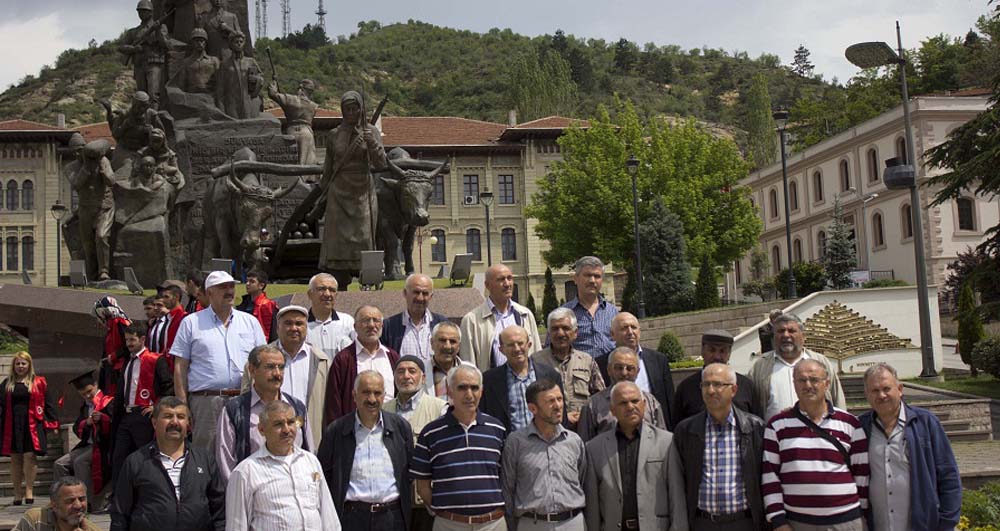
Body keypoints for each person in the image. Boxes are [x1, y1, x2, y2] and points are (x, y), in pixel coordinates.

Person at [761, 359, 868, 531]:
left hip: (846, 522)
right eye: (802, 380)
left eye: (814, 380)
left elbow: (862, 475)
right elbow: (770, 476)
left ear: (826, 384)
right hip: (797, 523)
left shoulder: (850, 424)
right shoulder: (777, 426)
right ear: (794, 384)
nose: (808, 385)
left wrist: (861, 513)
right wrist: (778, 521)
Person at [170, 270, 266, 449]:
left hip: (245, 399)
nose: (229, 291)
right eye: (223, 287)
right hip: (207, 402)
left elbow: (263, 360)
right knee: (206, 458)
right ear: (209, 293)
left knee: (246, 451)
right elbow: (180, 367)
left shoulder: (250, 322)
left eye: (231, 286)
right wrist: (182, 406)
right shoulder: (191, 322)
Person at [859, 363, 961, 531]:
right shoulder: (861, 428)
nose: (881, 395)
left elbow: (948, 475)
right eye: (875, 390)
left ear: (899, 389)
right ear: (867, 394)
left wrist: (947, 523)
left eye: (886, 388)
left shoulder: (925, 423)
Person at [410, 364, 507, 530]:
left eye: (474, 388)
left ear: (481, 391)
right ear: (450, 391)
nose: (469, 394)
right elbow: (422, 486)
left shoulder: (497, 429)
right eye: (462, 387)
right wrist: (444, 513)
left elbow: (507, 477)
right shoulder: (431, 433)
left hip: (493, 524)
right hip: (449, 524)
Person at [672, 363, 767, 531]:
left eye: (718, 384)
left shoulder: (755, 428)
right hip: (703, 522)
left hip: (743, 522)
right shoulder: (686, 431)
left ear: (734, 390)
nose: (710, 391)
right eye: (706, 385)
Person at [583, 381, 687, 531]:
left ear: (644, 404)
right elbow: (592, 505)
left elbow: (677, 495)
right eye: (623, 403)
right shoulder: (594, 448)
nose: (630, 407)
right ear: (612, 410)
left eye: (635, 401)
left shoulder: (667, 442)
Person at [111, 397, 226, 531]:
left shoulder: (205, 460)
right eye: (168, 416)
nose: (175, 422)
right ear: (154, 423)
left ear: (188, 423)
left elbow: (219, 511)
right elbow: (120, 514)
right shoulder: (136, 462)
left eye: (181, 417)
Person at [318, 371, 412, 530]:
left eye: (377, 393)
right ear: (354, 395)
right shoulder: (336, 431)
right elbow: (324, 479)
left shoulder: (400, 427)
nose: (372, 399)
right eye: (366, 392)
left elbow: (409, 471)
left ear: (384, 396)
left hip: (392, 518)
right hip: (352, 518)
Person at [227, 401, 341, 530]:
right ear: (262, 430)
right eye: (278, 424)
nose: (287, 430)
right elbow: (236, 526)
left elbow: (328, 515)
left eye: (291, 422)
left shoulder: (310, 461)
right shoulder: (246, 472)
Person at [316, 90, 388, 288]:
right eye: (347, 108)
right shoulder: (334, 135)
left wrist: (372, 142)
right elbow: (328, 168)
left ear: (361, 109)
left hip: (362, 190)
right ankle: (339, 278)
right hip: (338, 191)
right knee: (338, 241)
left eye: (355, 108)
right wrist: (318, 195)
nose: (351, 112)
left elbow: (381, 163)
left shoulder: (371, 131)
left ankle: (368, 278)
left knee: (364, 236)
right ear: (342, 110)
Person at [502, 379, 587, 531]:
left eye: (560, 399)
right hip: (532, 524)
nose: (558, 406)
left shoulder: (574, 441)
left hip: (573, 523)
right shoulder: (516, 442)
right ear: (533, 408)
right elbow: (508, 489)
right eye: (550, 401)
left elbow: (583, 481)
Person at [217, 345, 311, 481]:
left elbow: (308, 451)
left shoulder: (297, 407)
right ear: (252, 370)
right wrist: (239, 492)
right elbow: (225, 461)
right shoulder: (235, 410)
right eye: (270, 367)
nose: (277, 374)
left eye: (281, 367)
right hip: (252, 491)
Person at [383, 355, 446, 531]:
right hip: (393, 501)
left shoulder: (440, 409)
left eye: (412, 371)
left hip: (426, 503)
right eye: (400, 371)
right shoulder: (383, 410)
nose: (406, 376)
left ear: (423, 378)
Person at [747, 313, 845, 423]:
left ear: (803, 336)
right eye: (780, 331)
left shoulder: (820, 362)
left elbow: (838, 399)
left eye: (791, 331)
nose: (785, 335)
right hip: (777, 437)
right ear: (774, 336)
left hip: (820, 434)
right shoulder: (760, 366)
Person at [110, 321, 174, 487]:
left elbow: (168, 386)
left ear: (142, 339)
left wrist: (157, 407)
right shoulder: (127, 362)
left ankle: (149, 491)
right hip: (126, 415)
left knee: (146, 457)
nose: (129, 344)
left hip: (144, 415)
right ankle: (119, 498)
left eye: (132, 340)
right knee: (119, 458)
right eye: (127, 340)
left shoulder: (154, 360)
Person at [597, 312, 675, 428]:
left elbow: (669, 400)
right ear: (612, 335)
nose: (630, 332)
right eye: (624, 328)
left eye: (633, 327)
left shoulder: (658, 360)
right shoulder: (601, 363)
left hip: (653, 429)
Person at [480, 325, 563, 433]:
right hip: (510, 446)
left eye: (520, 343)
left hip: (545, 443)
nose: (517, 349)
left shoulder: (550, 375)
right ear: (501, 349)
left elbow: (561, 415)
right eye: (510, 345)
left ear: (529, 345)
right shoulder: (489, 380)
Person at [325, 305, 400, 423]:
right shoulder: (343, 360)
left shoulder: (392, 357)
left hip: (388, 428)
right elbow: (333, 403)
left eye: (376, 320)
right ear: (355, 327)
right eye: (366, 320)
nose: (371, 325)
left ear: (382, 325)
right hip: (354, 431)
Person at [1, 352, 58, 505]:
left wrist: (53, 422)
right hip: (12, 425)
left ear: (29, 365)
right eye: (18, 363)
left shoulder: (38, 382)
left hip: (32, 424)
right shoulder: (7, 383)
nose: (20, 366)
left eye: (23, 363)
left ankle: (29, 490)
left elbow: (48, 403)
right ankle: (17, 492)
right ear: (13, 365)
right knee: (15, 458)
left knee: (29, 457)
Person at [460, 264, 541, 371]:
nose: (507, 284)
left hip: (526, 384)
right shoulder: (472, 320)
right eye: (501, 279)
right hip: (491, 385)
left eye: (510, 278)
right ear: (487, 285)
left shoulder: (525, 314)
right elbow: (468, 365)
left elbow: (537, 354)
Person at [532, 308, 605, 427]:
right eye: (555, 329)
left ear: (575, 333)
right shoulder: (536, 361)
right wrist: (564, 417)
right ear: (549, 333)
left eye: (565, 328)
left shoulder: (587, 361)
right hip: (549, 429)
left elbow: (601, 398)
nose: (560, 333)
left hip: (583, 428)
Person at [671, 329, 762, 425]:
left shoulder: (746, 386)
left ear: (729, 354)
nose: (717, 356)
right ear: (702, 351)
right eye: (712, 350)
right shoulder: (686, 388)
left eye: (722, 351)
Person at [578, 347, 666, 442]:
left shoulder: (650, 402)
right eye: (618, 368)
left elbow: (662, 439)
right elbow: (585, 445)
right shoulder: (592, 405)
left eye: (630, 368)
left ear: (637, 372)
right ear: (609, 370)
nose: (624, 373)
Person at [271, 304, 330, 447]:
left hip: (309, 437)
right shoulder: (262, 359)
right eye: (288, 323)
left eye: (299, 323)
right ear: (278, 328)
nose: (294, 328)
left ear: (306, 328)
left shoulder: (322, 360)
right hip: (272, 434)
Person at [56, 372, 113, 512]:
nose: (87, 396)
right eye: (83, 394)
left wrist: (103, 419)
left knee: (80, 462)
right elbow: (77, 428)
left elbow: (115, 424)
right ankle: (63, 499)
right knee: (59, 463)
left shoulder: (108, 402)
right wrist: (86, 423)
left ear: (95, 385)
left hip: (103, 446)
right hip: (88, 445)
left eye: (89, 391)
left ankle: (84, 503)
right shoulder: (86, 406)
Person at [69, 140, 115, 281]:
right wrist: (87, 169)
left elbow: (111, 181)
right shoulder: (70, 167)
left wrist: (102, 169)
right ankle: (92, 275)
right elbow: (77, 184)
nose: (79, 153)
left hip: (104, 206)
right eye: (76, 151)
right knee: (88, 246)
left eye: (81, 149)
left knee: (101, 236)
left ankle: (104, 271)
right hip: (85, 209)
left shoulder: (103, 161)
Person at [381, 273, 449, 365]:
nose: (420, 298)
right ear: (405, 293)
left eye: (425, 293)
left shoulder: (442, 324)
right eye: (416, 292)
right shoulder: (389, 327)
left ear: (431, 296)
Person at [558, 256, 618, 357]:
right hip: (578, 370)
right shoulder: (563, 314)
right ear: (576, 279)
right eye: (587, 275)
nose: (592, 280)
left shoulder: (613, 312)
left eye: (597, 276)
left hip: (609, 370)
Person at [13, 477, 101, 531]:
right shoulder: (35, 519)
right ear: (54, 505)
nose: (78, 505)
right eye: (70, 501)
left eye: (82, 499)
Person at [267, 79, 320, 167]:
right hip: (307, 133)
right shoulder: (313, 106)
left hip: (291, 132)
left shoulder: (290, 99)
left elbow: (272, 93)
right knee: (307, 162)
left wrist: (274, 83)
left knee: (291, 161)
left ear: (301, 89)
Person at [306, 272, 356, 358]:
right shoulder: (300, 323)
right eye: (321, 289)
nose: (327, 294)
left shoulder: (347, 322)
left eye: (332, 290)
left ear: (336, 295)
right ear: (310, 294)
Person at [92, 296, 130, 396]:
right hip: (111, 369)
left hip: (119, 370)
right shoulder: (112, 326)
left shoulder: (119, 323)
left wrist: (114, 356)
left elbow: (128, 346)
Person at [236, 269, 278, 341]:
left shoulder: (268, 305)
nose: (247, 284)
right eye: (247, 281)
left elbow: (273, 332)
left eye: (252, 281)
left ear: (261, 285)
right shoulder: (243, 303)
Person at [427, 321, 464, 397]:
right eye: (442, 340)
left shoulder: (470, 370)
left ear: (459, 346)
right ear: (432, 343)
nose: (447, 346)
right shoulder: (420, 371)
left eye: (452, 341)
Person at [155, 280, 188, 358]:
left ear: (176, 297)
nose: (163, 300)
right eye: (163, 297)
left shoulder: (184, 317)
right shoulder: (168, 317)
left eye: (166, 297)